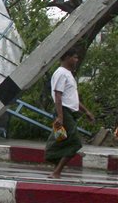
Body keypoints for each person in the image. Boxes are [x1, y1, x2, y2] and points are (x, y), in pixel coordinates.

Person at [45, 48, 95, 179]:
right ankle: (57, 172)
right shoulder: (61, 73)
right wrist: (61, 116)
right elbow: (58, 95)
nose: (77, 60)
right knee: (75, 143)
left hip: (68, 112)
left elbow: (72, 98)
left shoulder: (68, 74)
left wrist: (86, 111)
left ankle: (53, 162)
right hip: (64, 111)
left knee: (60, 140)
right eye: (75, 57)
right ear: (67, 58)